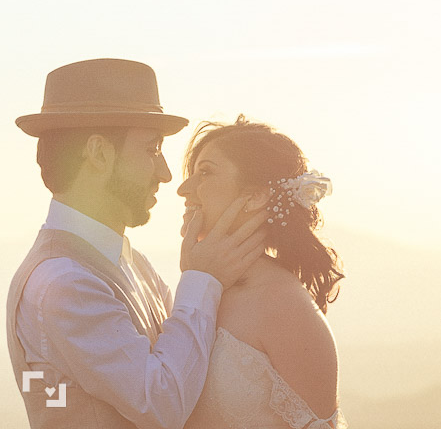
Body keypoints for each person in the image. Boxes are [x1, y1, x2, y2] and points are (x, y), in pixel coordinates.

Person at [7, 58, 268, 429]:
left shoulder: (130, 263)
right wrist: (202, 278)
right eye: (152, 149)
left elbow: (52, 388)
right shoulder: (64, 283)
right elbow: (162, 404)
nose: (164, 173)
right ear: (98, 153)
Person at [177, 115, 346, 429]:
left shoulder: (284, 305)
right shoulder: (201, 287)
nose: (183, 189)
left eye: (205, 172)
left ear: (255, 196)